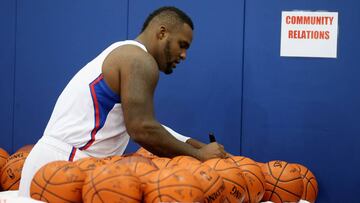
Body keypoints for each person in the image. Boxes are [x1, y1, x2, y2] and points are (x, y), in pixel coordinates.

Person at [19, 6, 229, 197]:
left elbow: (143, 125)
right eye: (182, 45)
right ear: (162, 32)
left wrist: (200, 147)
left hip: (55, 164)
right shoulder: (139, 60)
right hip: (66, 166)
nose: (183, 55)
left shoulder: (125, 52)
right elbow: (142, 129)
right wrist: (199, 155)